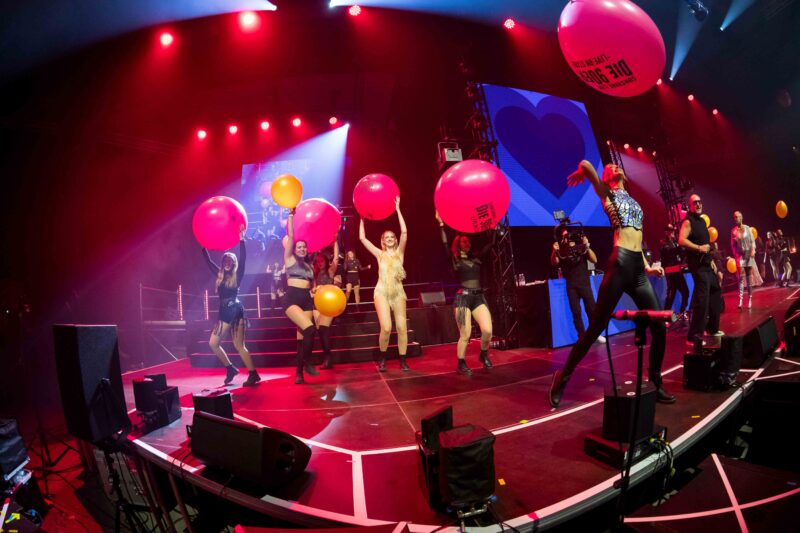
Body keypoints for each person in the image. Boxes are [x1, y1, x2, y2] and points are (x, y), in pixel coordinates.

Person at [549, 161, 674, 408]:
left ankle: (655, 382)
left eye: (617, 166)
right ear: (605, 178)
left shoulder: (633, 200)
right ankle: (562, 377)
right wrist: (583, 172)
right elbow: (586, 163)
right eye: (609, 167)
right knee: (595, 327)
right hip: (620, 263)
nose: (615, 167)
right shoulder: (607, 194)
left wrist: (648, 267)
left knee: (659, 325)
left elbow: (637, 237)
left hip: (637, 266)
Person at [437, 212, 495, 375]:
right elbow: (444, 244)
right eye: (464, 241)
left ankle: (483, 354)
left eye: (468, 241)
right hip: (463, 298)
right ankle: (461, 363)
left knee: (488, 331)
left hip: (478, 297)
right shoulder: (455, 260)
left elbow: (491, 244)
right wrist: (441, 225)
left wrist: (492, 226)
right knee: (466, 334)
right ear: (458, 244)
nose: (467, 243)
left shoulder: (476, 258)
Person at [202, 225, 260, 386]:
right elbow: (208, 261)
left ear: (234, 263)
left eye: (230, 261)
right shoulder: (220, 274)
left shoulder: (238, 274)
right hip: (228, 310)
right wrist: (203, 246)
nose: (227, 263)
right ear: (222, 263)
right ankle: (246, 372)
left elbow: (243, 259)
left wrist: (241, 239)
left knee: (218, 343)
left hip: (233, 309)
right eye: (225, 260)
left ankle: (236, 370)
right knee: (235, 345)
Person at [359, 197, 409, 372]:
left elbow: (404, 233)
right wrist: (362, 219)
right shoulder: (379, 254)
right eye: (386, 237)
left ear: (395, 240)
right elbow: (362, 238)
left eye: (392, 237)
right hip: (381, 292)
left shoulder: (400, 253)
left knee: (402, 328)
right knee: (386, 328)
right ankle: (382, 357)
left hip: (398, 293)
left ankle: (403, 360)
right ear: (382, 240)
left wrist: (398, 209)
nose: (390, 238)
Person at [679, 194, 724, 348]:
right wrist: (698, 248)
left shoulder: (703, 221)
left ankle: (711, 329)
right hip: (698, 267)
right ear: (690, 206)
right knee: (702, 300)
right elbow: (681, 240)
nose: (698, 204)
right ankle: (693, 336)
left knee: (716, 292)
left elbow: (706, 244)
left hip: (707, 265)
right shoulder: (688, 221)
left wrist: (711, 261)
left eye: (699, 202)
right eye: (695, 203)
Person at [550, 224, 606, 344]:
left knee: (591, 310)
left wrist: (587, 246)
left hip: (584, 284)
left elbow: (594, 260)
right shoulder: (562, 250)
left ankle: (595, 334)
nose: (567, 237)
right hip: (571, 286)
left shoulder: (581, 247)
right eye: (564, 236)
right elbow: (554, 262)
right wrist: (554, 251)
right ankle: (582, 337)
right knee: (576, 312)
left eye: (568, 235)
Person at [283, 210, 320, 384]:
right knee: (310, 330)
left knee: (302, 338)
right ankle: (308, 362)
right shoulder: (289, 259)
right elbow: (291, 236)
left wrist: (315, 290)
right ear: (294, 249)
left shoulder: (309, 266)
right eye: (299, 247)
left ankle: (299, 373)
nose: (302, 249)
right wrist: (291, 216)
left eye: (304, 247)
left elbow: (312, 285)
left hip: (306, 300)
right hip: (292, 300)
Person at [312, 237, 340, 370]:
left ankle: (328, 358)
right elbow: (313, 289)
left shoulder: (330, 272)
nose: (319, 263)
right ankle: (327, 358)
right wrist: (314, 290)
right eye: (318, 261)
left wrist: (335, 241)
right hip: (316, 305)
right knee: (321, 332)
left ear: (326, 261)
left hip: (328, 304)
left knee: (323, 329)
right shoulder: (315, 274)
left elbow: (336, 259)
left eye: (321, 261)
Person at [659, 224, 690, 321]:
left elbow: (680, 253)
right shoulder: (663, 242)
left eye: (673, 230)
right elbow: (669, 251)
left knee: (686, 292)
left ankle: (682, 312)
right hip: (670, 273)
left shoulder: (675, 242)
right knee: (670, 296)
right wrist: (681, 246)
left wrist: (684, 251)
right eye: (670, 230)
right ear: (666, 232)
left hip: (678, 271)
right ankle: (665, 317)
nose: (672, 232)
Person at [730, 211, 756, 310]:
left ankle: (750, 299)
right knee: (740, 278)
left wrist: (753, 250)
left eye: (737, 217)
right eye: (734, 217)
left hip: (748, 255)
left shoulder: (747, 228)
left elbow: (752, 241)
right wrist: (735, 254)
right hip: (740, 255)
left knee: (749, 279)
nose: (735, 218)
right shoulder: (733, 231)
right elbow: (732, 245)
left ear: (741, 217)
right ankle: (740, 300)